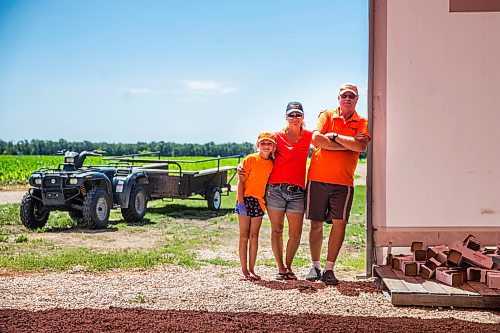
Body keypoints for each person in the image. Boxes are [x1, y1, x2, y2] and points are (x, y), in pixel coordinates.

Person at [305, 83, 371, 285]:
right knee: (316, 225)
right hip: (317, 179)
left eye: (352, 96)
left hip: (343, 183)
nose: (348, 99)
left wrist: (334, 137)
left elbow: (361, 145)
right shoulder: (326, 115)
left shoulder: (362, 121)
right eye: (344, 96)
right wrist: (347, 144)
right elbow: (317, 140)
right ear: (339, 98)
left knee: (339, 224)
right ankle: (315, 266)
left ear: (357, 99)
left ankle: (329, 269)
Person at [265, 102, 313, 280]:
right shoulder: (276, 136)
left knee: (295, 233)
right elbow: (263, 151)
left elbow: (326, 143)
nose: (294, 118)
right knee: (276, 230)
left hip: (297, 192)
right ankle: (281, 268)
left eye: (298, 114)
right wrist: (244, 165)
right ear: (286, 117)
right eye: (291, 115)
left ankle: (289, 265)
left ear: (303, 117)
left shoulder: (309, 136)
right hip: (276, 190)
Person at [235, 131, 276, 281]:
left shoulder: (271, 163)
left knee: (254, 236)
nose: (266, 146)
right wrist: (240, 203)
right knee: (244, 236)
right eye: (263, 143)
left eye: (269, 143)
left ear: (273, 146)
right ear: (258, 145)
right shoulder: (250, 159)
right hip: (245, 200)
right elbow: (241, 182)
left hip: (259, 202)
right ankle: (244, 270)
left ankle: (252, 269)